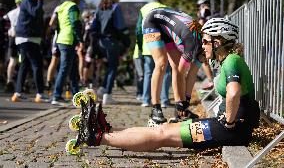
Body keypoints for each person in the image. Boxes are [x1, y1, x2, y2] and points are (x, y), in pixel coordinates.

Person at [70, 18, 260, 152]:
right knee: (165, 128)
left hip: (231, 131)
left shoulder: (232, 60)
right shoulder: (229, 60)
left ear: (217, 42)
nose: (202, 45)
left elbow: (233, 93)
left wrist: (229, 121)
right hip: (229, 127)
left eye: (205, 41)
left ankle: (97, 137)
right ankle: (108, 132)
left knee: (162, 135)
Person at [11, 0, 49, 103]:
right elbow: (35, 13)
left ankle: (17, 93)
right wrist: (40, 0)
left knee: (25, 65)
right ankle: (40, 94)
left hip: (26, 39)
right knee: (37, 65)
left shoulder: (29, 1)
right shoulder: (29, 0)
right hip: (28, 38)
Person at [134, 0, 171, 108]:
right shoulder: (166, 8)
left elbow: (139, 30)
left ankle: (146, 99)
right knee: (165, 72)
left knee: (148, 73)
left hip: (147, 45)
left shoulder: (143, 8)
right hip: (163, 45)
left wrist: (140, 46)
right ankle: (164, 100)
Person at [95, 0, 130, 105]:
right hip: (111, 41)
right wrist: (127, 41)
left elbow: (94, 26)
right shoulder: (116, 7)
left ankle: (103, 89)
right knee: (113, 68)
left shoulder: (100, 8)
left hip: (101, 42)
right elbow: (120, 26)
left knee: (109, 67)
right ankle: (107, 95)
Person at [51, 0, 83, 106]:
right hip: (68, 40)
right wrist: (80, 39)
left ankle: (76, 95)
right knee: (64, 69)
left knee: (73, 68)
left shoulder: (61, 6)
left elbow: (54, 23)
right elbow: (75, 22)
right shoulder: (73, 7)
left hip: (61, 39)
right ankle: (57, 96)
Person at [4, 0, 24, 93]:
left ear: (16, 3)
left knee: (12, 61)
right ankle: (22, 83)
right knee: (22, 61)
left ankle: (9, 81)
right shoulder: (25, 12)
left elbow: (4, 20)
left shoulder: (10, 13)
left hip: (12, 37)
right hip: (21, 39)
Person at [196, 0, 214, 91]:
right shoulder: (211, 11)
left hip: (207, 38)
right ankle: (212, 81)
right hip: (212, 38)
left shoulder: (204, 11)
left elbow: (201, 24)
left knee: (204, 61)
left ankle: (211, 81)